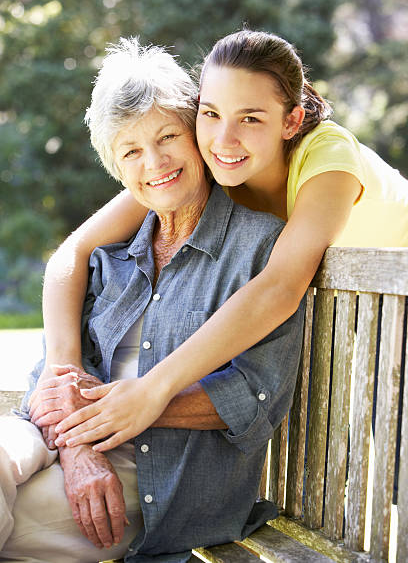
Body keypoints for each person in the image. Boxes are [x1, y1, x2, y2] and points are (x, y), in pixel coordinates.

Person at [0, 38, 305, 563]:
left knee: (16, 530)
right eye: (132, 151)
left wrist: (130, 410)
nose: (155, 162)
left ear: (197, 138)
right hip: (64, 442)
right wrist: (77, 445)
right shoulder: (113, 254)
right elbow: (55, 377)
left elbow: (255, 398)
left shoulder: (261, 247)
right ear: (115, 168)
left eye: (168, 137)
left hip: (156, 476)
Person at [31, 29, 408, 451]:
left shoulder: (328, 157)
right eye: (211, 113)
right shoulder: (210, 158)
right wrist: (60, 365)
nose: (224, 139)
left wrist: (154, 388)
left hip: (394, 297)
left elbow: (280, 286)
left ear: (291, 121)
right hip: (339, 311)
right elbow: (73, 252)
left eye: (250, 118)